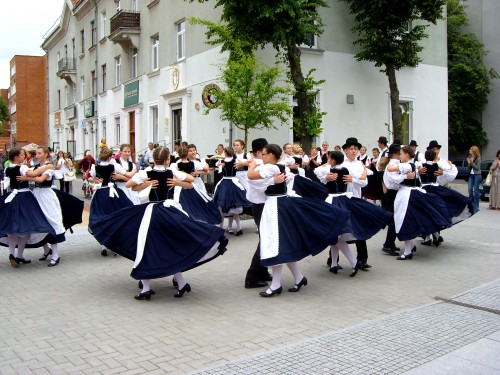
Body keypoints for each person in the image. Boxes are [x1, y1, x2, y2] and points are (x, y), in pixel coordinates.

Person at [90, 146, 228, 300]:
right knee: (164, 246)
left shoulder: (147, 172)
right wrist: (176, 182)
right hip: (166, 212)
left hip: (155, 212)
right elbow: (190, 182)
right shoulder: (171, 172)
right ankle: (171, 285)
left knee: (150, 246)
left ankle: (157, 287)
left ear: (153, 159)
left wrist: (147, 184)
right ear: (167, 159)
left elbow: (130, 184)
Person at [247, 144, 350, 297]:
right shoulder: (280, 167)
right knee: (282, 244)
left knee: (276, 244)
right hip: (278, 204)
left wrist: (252, 164)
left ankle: (276, 285)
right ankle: (298, 278)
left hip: (276, 206)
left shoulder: (271, 168)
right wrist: (271, 181)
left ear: (270, 155)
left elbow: (250, 176)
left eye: (264, 153)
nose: (262, 155)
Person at [385, 146, 451, 260]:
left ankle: (408, 250)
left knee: (403, 221)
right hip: (413, 192)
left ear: (406, 154)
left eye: (401, 153)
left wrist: (402, 173)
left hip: (406, 194)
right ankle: (410, 247)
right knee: (408, 220)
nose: (400, 156)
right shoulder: (416, 164)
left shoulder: (407, 165)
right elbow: (419, 168)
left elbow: (390, 169)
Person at [0, 148, 55, 268]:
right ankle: (18, 256)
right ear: (16, 157)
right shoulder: (22, 168)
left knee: (12, 229)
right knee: (25, 228)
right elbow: (34, 174)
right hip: (24, 197)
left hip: (12, 197)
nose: (24, 156)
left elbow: (8, 182)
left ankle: (12, 254)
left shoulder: (7, 168)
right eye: (21, 155)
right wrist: (48, 166)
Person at [88, 147, 134, 256]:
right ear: (110, 157)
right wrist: (135, 170)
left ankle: (104, 244)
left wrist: (95, 179)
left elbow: (89, 177)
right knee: (116, 215)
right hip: (112, 193)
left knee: (102, 216)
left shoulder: (95, 167)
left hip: (100, 194)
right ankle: (114, 243)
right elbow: (129, 175)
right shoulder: (115, 166)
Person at [213, 147, 251, 235]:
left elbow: (218, 167)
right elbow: (245, 163)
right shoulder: (235, 160)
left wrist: (220, 163)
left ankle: (221, 229)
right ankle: (239, 228)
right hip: (234, 182)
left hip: (225, 183)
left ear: (225, 153)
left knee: (222, 206)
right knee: (235, 206)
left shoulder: (223, 161)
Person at [467, 145, 482, 214]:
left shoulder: (478, 158)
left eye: (471, 149)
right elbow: (469, 168)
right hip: (471, 175)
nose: (469, 150)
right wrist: (469, 163)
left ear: (474, 151)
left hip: (477, 175)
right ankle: (471, 204)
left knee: (476, 191)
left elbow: (477, 168)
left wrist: (471, 162)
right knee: (470, 189)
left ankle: (476, 206)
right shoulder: (470, 157)